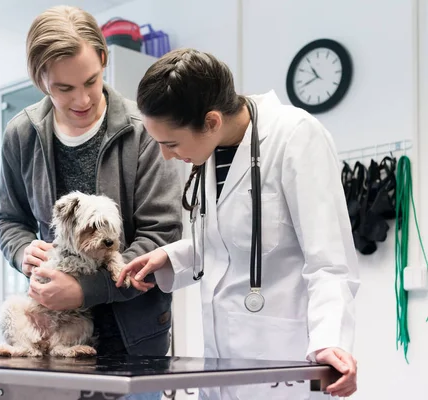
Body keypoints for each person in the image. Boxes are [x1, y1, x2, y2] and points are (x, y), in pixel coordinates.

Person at [117, 48, 360, 400]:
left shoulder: (295, 136)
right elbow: (229, 241)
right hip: (219, 361)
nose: (166, 155)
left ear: (212, 121)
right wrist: (171, 258)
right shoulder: (210, 149)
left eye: (170, 143)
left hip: (282, 360)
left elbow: (330, 260)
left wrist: (329, 341)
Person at [0, 4, 182, 365]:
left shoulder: (141, 131)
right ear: (40, 79)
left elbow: (162, 234)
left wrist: (85, 289)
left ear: (103, 58)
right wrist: (22, 251)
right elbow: (7, 221)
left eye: (91, 81)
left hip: (135, 342)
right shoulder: (21, 134)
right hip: (52, 343)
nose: (81, 100)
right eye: (63, 88)